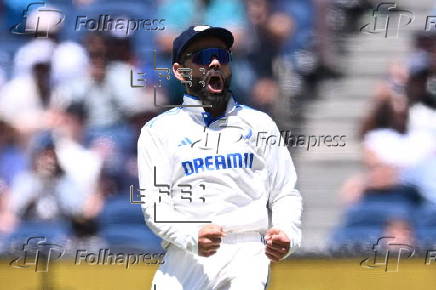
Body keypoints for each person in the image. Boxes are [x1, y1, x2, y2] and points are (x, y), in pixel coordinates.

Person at [137, 26, 302, 290]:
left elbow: (284, 193)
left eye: (221, 56)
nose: (214, 62)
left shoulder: (259, 124)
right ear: (180, 72)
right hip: (185, 255)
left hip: (246, 250)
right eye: (202, 57)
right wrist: (191, 235)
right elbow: (156, 206)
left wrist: (287, 232)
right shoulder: (158, 131)